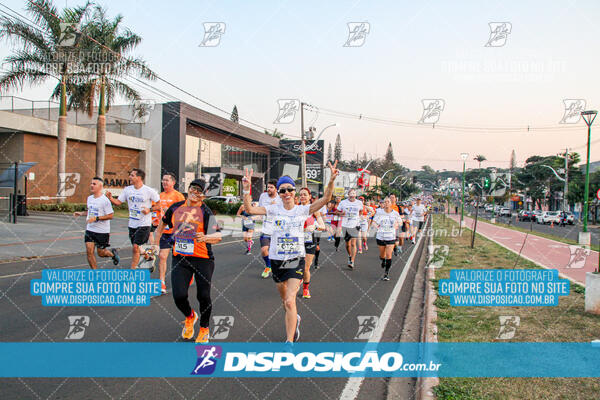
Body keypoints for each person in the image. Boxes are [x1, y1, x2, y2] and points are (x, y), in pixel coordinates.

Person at [241, 162, 339, 343]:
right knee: (284, 300)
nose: (286, 193)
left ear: (294, 191)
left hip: (296, 259)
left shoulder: (303, 210)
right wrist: (246, 190)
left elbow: (326, 199)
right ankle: (295, 319)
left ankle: (289, 342)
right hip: (277, 259)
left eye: (290, 190)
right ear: (278, 193)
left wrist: (331, 180)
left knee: (289, 301)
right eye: (282, 190)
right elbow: (249, 209)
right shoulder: (272, 209)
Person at [153, 178, 222, 343]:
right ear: (188, 189)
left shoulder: (205, 212)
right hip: (181, 258)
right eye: (193, 188)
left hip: (203, 259)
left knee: (203, 295)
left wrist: (205, 237)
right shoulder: (176, 207)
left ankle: (204, 328)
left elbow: (218, 236)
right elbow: (161, 225)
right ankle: (190, 316)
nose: (194, 192)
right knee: (179, 295)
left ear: (203, 195)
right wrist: (155, 244)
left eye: (199, 190)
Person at [106, 169, 160, 269]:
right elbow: (118, 202)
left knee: (135, 248)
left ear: (139, 178)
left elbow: (159, 205)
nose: (130, 177)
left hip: (144, 224)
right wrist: (110, 198)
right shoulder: (127, 190)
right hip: (132, 224)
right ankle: (149, 257)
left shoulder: (149, 191)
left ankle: (132, 272)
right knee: (138, 248)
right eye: (130, 175)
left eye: (132, 175)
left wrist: (149, 209)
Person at [149, 173, 186, 294]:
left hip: (177, 232)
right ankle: (162, 282)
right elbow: (157, 210)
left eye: (166, 180)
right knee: (162, 256)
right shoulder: (160, 195)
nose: (164, 182)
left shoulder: (178, 196)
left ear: (173, 182)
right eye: (163, 180)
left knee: (181, 257)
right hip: (165, 232)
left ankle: (187, 276)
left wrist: (171, 213)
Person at [73, 177, 119, 269]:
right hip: (90, 230)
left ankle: (113, 255)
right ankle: (95, 274)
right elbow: (90, 212)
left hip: (102, 231)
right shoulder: (89, 198)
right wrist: (81, 213)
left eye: (94, 184)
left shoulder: (105, 200)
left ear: (100, 186)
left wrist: (96, 218)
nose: (91, 185)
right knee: (89, 252)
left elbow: (111, 215)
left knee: (101, 253)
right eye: (91, 183)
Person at [298, 188, 326, 298]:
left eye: (305, 195)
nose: (302, 197)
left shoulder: (314, 210)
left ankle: (305, 289)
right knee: (296, 266)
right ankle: (299, 280)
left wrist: (315, 226)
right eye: (300, 195)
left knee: (305, 268)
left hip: (310, 240)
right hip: (297, 240)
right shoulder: (296, 209)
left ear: (310, 196)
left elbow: (323, 226)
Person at [372, 196, 402, 281]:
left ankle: (386, 273)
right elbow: (374, 222)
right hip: (381, 236)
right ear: (383, 204)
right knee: (382, 255)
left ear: (391, 203)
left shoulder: (395, 213)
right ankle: (383, 260)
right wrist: (376, 226)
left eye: (388, 202)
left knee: (389, 255)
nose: (386, 203)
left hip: (391, 237)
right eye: (384, 202)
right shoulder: (379, 212)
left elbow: (400, 222)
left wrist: (397, 224)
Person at [258, 180, 282, 278]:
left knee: (277, 252)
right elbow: (260, 210)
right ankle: (268, 266)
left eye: (271, 187)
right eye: (268, 187)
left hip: (278, 229)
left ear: (276, 189)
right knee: (264, 250)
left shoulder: (280, 198)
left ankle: (279, 268)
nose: (269, 189)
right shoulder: (263, 196)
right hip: (266, 228)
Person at [337, 189, 364, 269]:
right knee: (347, 244)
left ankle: (352, 260)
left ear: (356, 195)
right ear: (348, 195)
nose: (352, 195)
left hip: (355, 224)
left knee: (353, 243)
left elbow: (361, 211)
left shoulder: (359, 203)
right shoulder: (343, 202)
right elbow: (337, 212)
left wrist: (358, 218)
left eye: (354, 193)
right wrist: (341, 213)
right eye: (350, 193)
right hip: (345, 225)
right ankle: (349, 255)